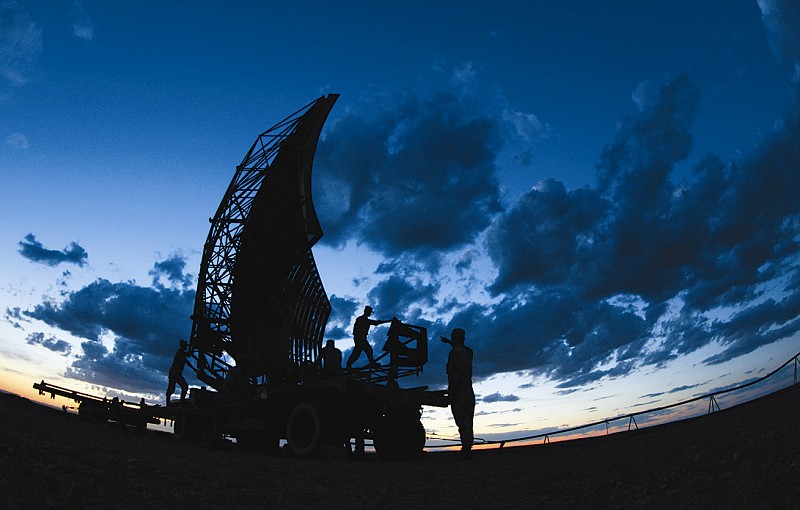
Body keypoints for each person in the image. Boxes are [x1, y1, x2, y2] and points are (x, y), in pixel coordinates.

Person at [444, 328, 475, 458]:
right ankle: (467, 446)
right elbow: (461, 348)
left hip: (458, 391)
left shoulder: (454, 354)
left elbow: (453, 374)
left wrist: (452, 392)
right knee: (468, 420)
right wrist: (449, 342)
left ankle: (466, 449)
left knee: (462, 421)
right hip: (468, 391)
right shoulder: (469, 352)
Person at [166, 340, 189, 405]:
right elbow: (186, 359)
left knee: (173, 387)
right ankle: (181, 402)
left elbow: (187, 358)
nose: (186, 347)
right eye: (185, 345)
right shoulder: (180, 353)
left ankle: (179, 402)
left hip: (176, 372)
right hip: (175, 372)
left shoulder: (181, 353)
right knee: (182, 386)